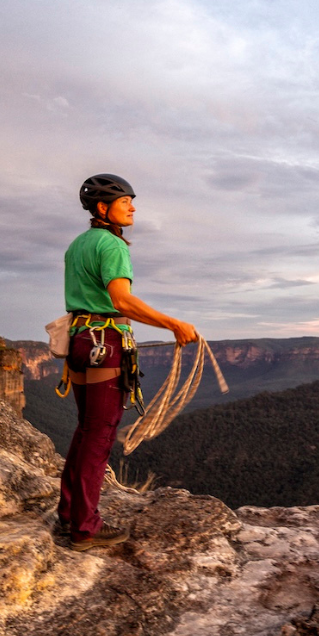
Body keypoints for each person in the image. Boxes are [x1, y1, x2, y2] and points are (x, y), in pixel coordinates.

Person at [57, 173, 198, 551]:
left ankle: (69, 513)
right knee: (100, 433)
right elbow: (122, 300)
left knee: (85, 429)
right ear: (104, 208)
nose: (133, 207)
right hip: (106, 342)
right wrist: (173, 324)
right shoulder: (112, 246)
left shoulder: (79, 244)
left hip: (80, 340)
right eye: (125, 202)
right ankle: (85, 527)